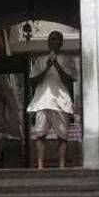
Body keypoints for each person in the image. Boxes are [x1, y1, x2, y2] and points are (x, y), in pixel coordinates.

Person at [27, 31, 77, 169]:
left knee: (62, 135)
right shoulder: (40, 60)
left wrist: (56, 64)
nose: (53, 42)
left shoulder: (68, 59)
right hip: (42, 100)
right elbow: (33, 80)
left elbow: (69, 79)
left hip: (61, 101)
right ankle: (40, 165)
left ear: (61, 43)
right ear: (48, 42)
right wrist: (47, 66)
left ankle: (61, 165)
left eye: (56, 39)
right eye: (51, 39)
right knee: (39, 134)